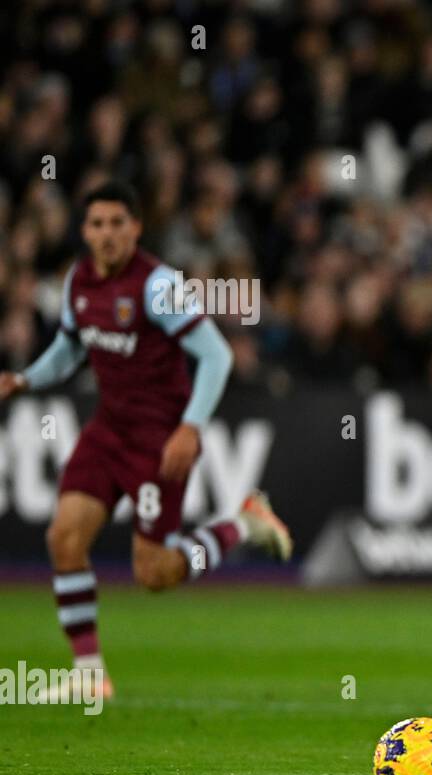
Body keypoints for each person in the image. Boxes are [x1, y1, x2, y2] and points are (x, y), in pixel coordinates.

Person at [0, 182, 292, 702]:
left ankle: (242, 523)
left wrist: (190, 426)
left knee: (153, 573)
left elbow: (217, 356)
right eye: (97, 224)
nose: (107, 234)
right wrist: (24, 379)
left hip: (159, 441)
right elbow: (69, 353)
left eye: (118, 223)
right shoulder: (78, 282)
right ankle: (90, 674)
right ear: (84, 230)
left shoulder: (158, 286)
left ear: (136, 228)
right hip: (107, 430)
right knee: (64, 539)